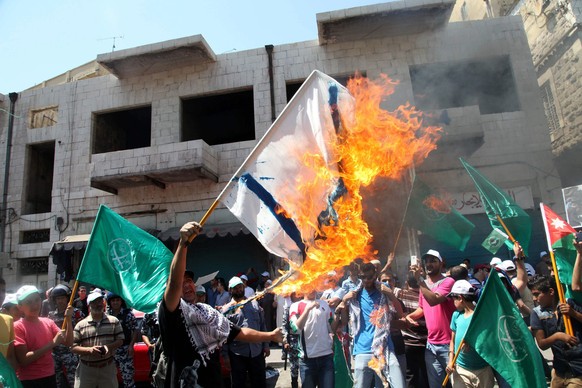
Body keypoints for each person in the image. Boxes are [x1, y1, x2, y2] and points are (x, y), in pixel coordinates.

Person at [158, 221, 282, 388]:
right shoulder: (171, 311)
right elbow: (174, 282)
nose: (187, 285)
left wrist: (271, 336)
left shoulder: (207, 313)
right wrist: (183, 244)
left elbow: (240, 333)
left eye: (190, 281)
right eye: (182, 282)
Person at [338, 262, 405, 388]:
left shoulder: (383, 289)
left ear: (375, 276)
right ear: (359, 276)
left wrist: (390, 294)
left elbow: (400, 313)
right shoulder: (354, 294)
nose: (367, 281)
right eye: (363, 277)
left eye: (370, 277)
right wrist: (344, 301)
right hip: (362, 350)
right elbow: (344, 322)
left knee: (399, 384)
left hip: (384, 348)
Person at [406, 249, 456, 388]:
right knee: (436, 385)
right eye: (426, 261)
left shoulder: (448, 281)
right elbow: (422, 308)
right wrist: (408, 317)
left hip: (449, 344)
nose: (429, 264)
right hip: (431, 345)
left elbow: (434, 300)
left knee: (457, 383)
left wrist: (420, 281)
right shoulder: (425, 285)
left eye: (433, 261)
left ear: (441, 263)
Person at [14, 285, 73, 388]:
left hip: (49, 376)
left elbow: (68, 342)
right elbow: (23, 360)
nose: (34, 305)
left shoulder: (48, 322)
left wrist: (68, 319)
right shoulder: (18, 326)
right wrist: (52, 344)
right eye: (29, 302)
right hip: (28, 380)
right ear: (20, 306)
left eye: (37, 300)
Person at [530, 275, 582, 386]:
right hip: (559, 370)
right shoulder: (537, 313)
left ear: (551, 292)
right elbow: (542, 344)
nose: (534, 299)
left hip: (579, 368)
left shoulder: (569, 303)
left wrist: (574, 314)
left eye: (537, 294)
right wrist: (558, 336)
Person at [445, 280, 494, 388]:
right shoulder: (456, 315)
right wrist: (450, 362)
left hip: (483, 370)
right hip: (461, 370)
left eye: (454, 299)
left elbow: (489, 340)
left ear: (460, 298)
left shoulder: (481, 316)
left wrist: (472, 343)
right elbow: (452, 341)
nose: (453, 302)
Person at [72, 290, 124, 388]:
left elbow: (120, 340)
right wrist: (89, 350)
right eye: (94, 302)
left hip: (107, 369)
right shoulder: (80, 325)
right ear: (89, 305)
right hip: (87, 370)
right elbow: (73, 347)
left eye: (100, 301)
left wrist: (108, 347)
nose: (98, 304)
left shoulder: (114, 321)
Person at [223, 276, 269, 388]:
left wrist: (266, 345)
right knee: (239, 384)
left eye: (240, 287)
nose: (239, 289)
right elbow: (223, 335)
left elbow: (262, 325)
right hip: (237, 354)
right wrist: (225, 355)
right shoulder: (226, 310)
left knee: (259, 383)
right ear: (230, 290)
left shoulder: (254, 304)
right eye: (235, 288)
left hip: (256, 352)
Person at [290, 289, 335, 388]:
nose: (312, 289)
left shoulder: (324, 304)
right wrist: (307, 310)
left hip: (326, 357)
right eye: (309, 286)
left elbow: (332, 327)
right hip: (307, 361)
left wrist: (340, 313)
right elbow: (296, 329)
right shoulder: (295, 306)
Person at [395, 272, 429, 388]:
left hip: (408, 342)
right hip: (426, 342)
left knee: (410, 375)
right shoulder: (426, 296)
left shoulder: (401, 294)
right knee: (427, 375)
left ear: (406, 283)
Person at [48, 284, 85, 388]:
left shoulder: (76, 313)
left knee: (74, 381)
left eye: (63, 298)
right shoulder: (51, 315)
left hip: (71, 353)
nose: (60, 301)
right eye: (58, 298)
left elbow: (83, 331)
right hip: (55, 353)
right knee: (57, 382)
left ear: (68, 298)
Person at [106, 293, 138, 388]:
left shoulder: (128, 314)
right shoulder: (106, 315)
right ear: (110, 302)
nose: (115, 302)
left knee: (128, 379)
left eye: (117, 300)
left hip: (125, 350)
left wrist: (131, 345)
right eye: (113, 301)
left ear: (121, 301)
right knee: (109, 379)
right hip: (111, 351)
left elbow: (135, 330)